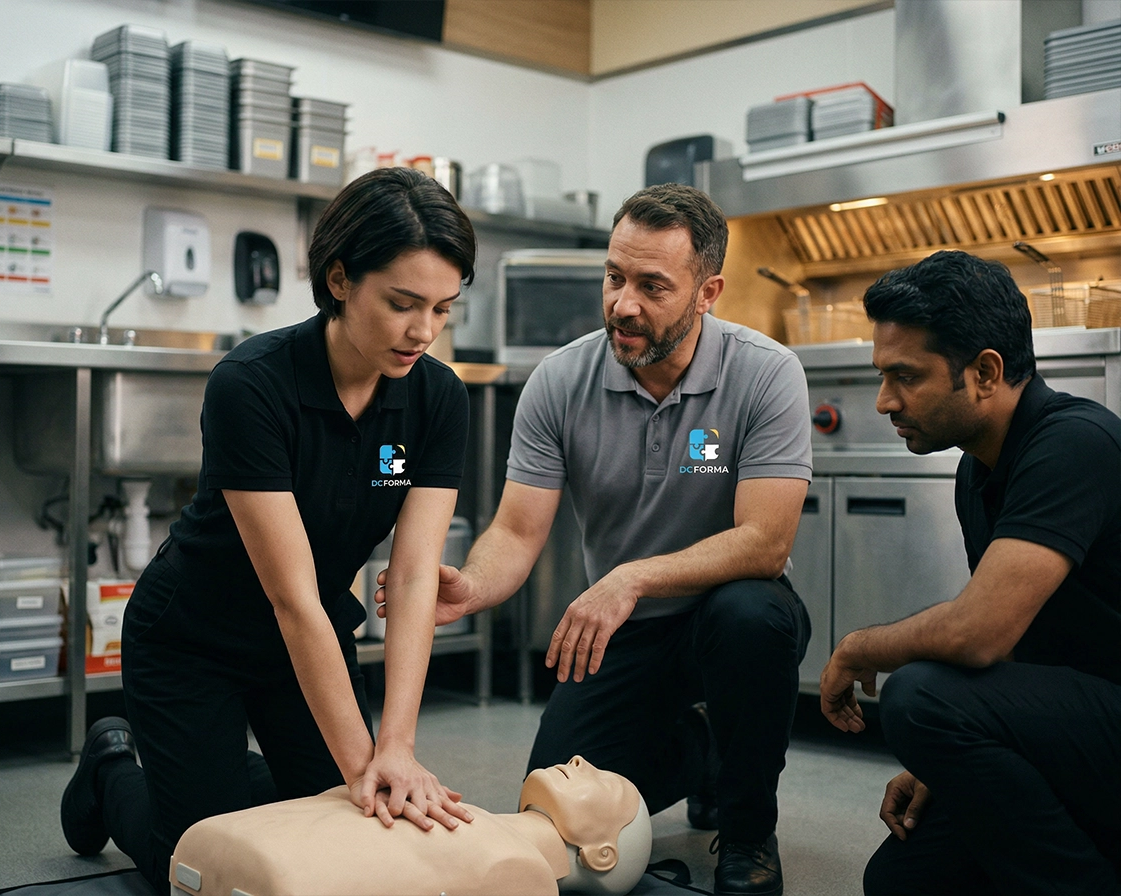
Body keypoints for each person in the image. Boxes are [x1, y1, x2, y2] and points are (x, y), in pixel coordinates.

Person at [377, 183, 812, 896]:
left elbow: (764, 542)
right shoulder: (560, 380)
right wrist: (471, 587)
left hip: (725, 616)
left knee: (751, 616)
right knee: (558, 810)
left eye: (652, 286)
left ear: (707, 293)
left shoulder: (766, 373)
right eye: (614, 277)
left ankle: (747, 828)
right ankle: (706, 751)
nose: (623, 304)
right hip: (622, 632)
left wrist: (630, 576)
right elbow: (517, 530)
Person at [60, 167, 480, 896]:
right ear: (340, 279)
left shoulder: (437, 396)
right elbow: (292, 599)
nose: (423, 331)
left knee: (342, 836)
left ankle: (225, 774)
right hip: (195, 639)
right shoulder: (251, 385)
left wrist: (397, 748)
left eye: (443, 308)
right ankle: (110, 767)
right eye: (402, 303)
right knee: (200, 865)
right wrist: (366, 771)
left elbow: (413, 575)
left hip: (310, 641)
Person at [817, 250, 1121, 896]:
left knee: (916, 695)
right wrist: (953, 758)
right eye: (882, 376)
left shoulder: (1074, 443)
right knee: (898, 883)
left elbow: (977, 634)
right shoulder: (976, 469)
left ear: (985, 372)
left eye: (906, 376)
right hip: (1071, 727)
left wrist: (856, 648)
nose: (884, 401)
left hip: (1108, 725)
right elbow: (1010, 640)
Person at [167, 755, 652, 896]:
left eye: (605, 782)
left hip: (259, 866)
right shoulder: (481, 826)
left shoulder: (520, 871)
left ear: (602, 854)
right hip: (261, 855)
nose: (580, 760)